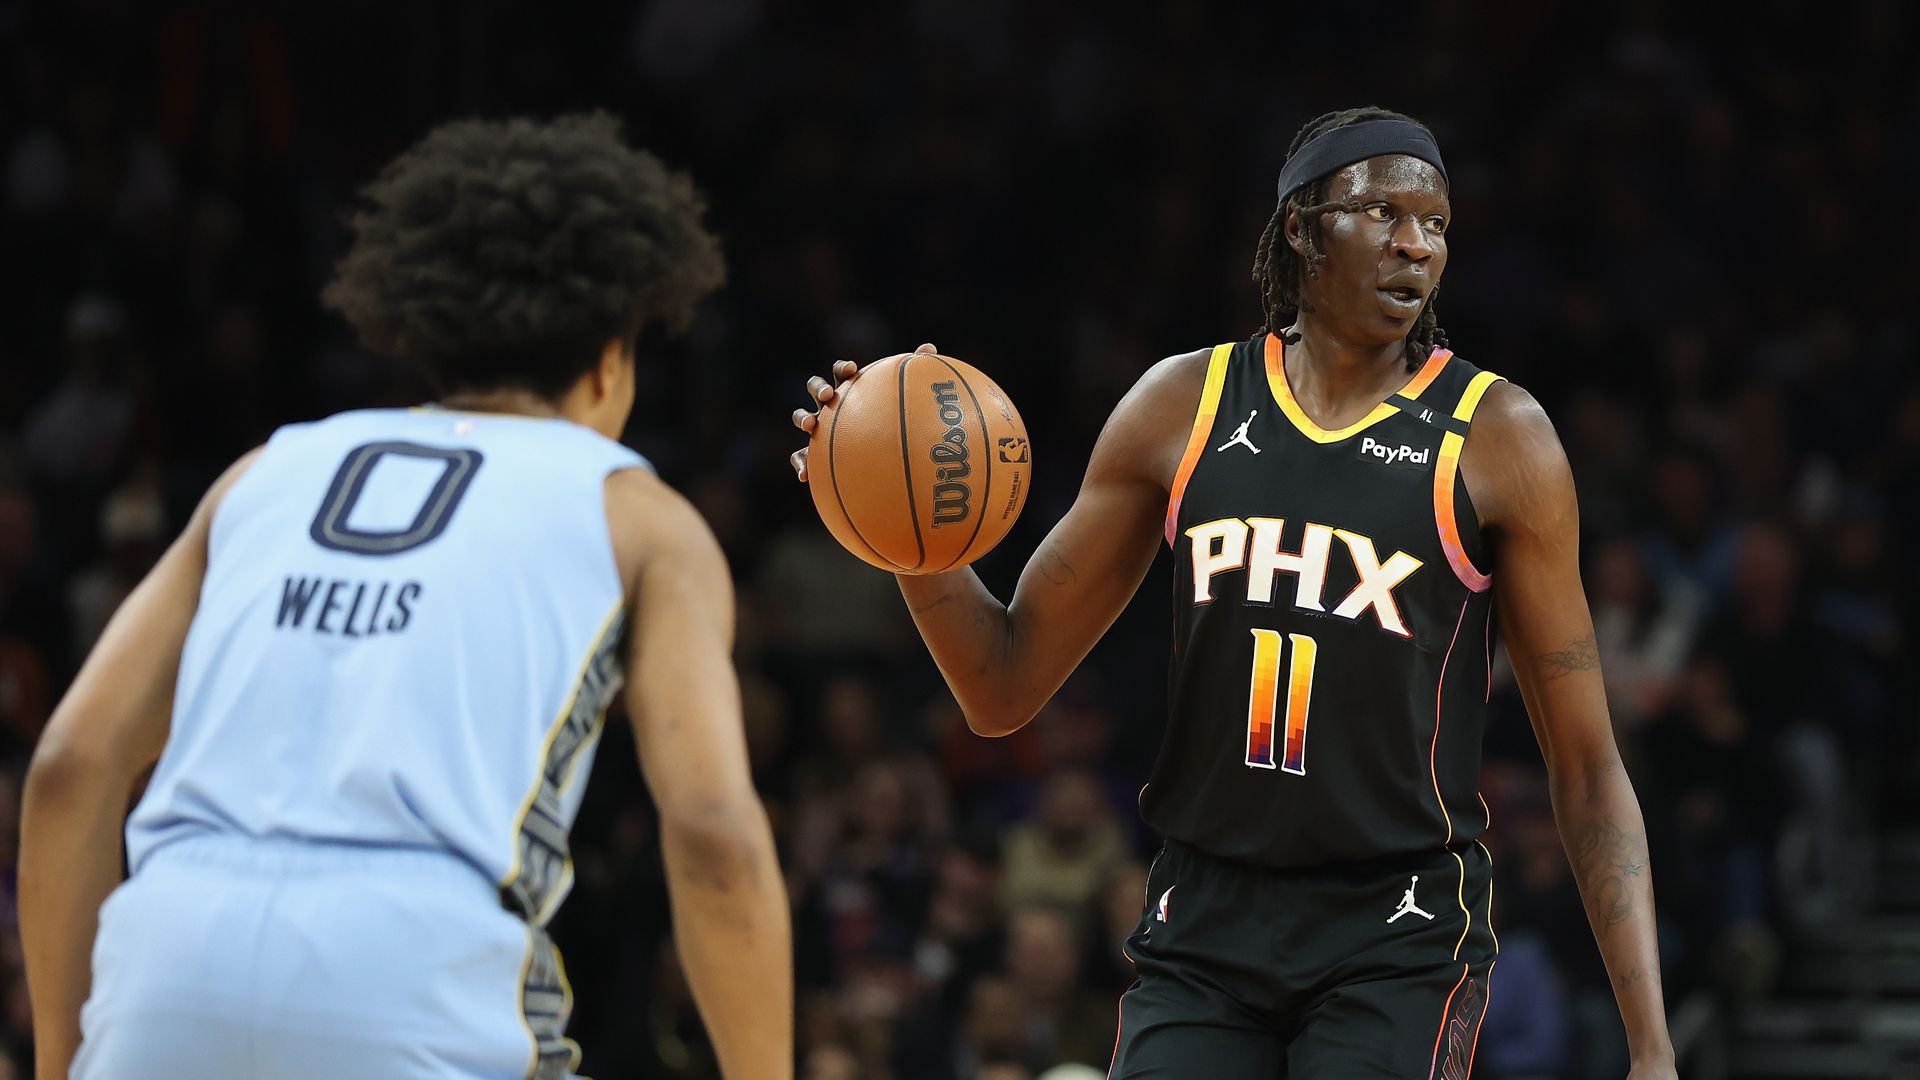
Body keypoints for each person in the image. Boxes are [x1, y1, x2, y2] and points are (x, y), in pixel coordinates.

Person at [791, 107, 1677, 1078]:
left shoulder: (1499, 436)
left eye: (1436, 223)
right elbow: (1000, 688)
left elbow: (1588, 765)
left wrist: (1650, 1046)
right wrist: (905, 528)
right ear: (1299, 227)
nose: (1416, 244)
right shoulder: (1183, 407)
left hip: (1397, 929)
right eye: (1381, 211)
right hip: (1206, 924)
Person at [21, 113, 792, 1080]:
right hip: (415, 973)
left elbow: (69, 764)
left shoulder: (264, 473)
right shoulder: (639, 514)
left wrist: (58, 1060)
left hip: (166, 963)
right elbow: (715, 831)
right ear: (609, 357)